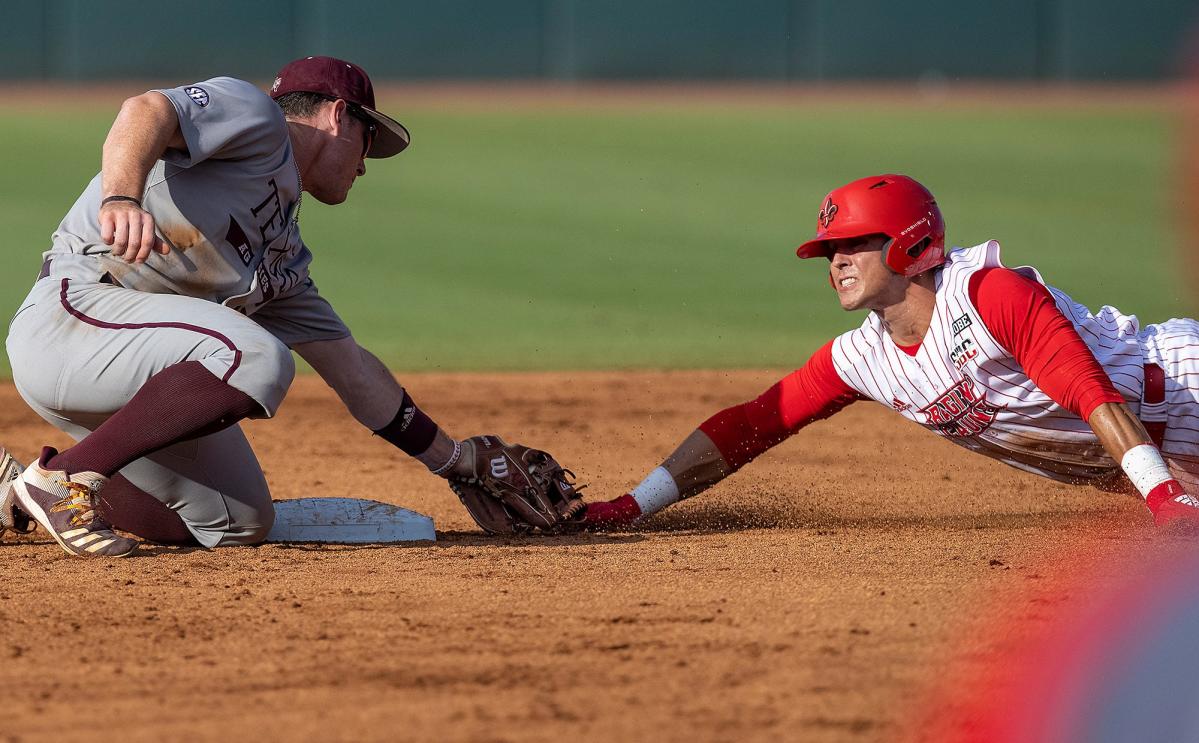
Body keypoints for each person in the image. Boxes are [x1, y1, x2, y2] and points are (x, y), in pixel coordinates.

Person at [0, 56, 500, 556]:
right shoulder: (257, 118)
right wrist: (122, 199)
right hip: (75, 315)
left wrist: (455, 460)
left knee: (235, 522)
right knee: (256, 356)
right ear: (337, 115)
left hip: (128, 374)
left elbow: (353, 372)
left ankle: (18, 493)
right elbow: (146, 109)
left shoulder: (280, 254)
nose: (365, 164)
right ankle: (64, 479)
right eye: (368, 141)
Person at [581, 174, 1199, 531]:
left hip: (1183, 383)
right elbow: (752, 423)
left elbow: (1085, 387)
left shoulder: (989, 293)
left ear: (908, 242)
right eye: (830, 251)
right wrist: (631, 506)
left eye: (853, 243)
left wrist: (1160, 495)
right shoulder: (860, 358)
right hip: (1153, 458)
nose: (838, 260)